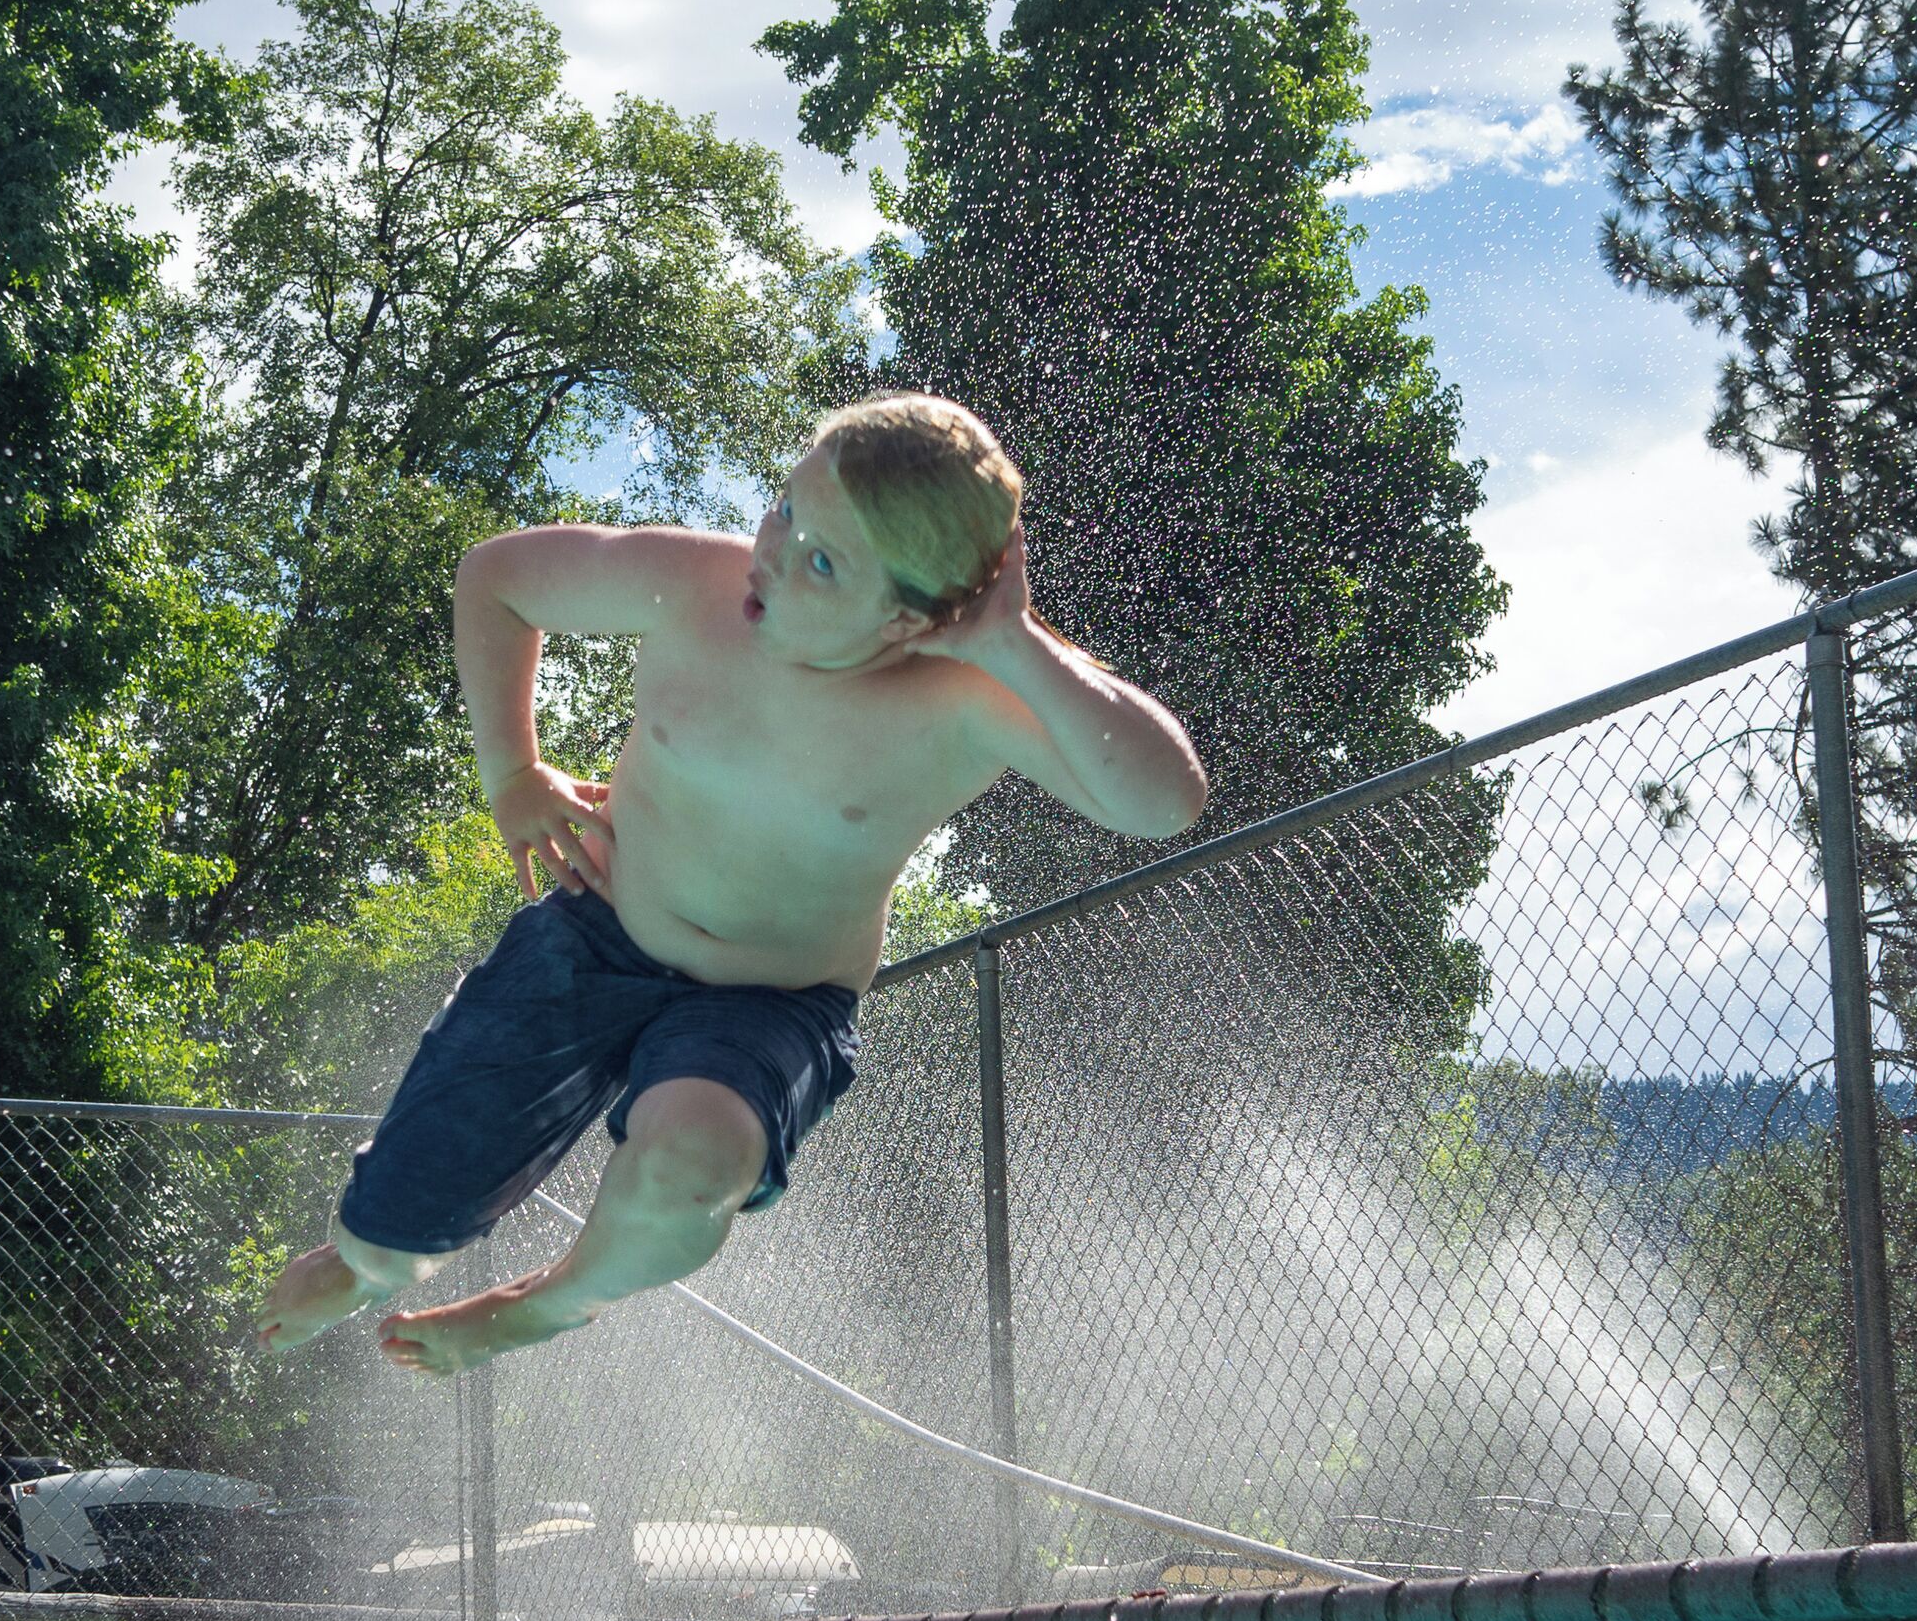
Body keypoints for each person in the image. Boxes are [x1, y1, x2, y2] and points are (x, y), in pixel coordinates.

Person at [256, 391, 1207, 1375]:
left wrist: (1016, 642)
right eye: (787, 507)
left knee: (693, 1165)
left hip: (772, 1002)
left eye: (825, 562)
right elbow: (496, 579)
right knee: (388, 1230)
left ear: (913, 614)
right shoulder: (693, 585)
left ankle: (554, 1302)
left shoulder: (966, 701)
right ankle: (367, 1266)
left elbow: (1163, 799)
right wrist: (514, 775)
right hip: (597, 929)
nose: (777, 553)